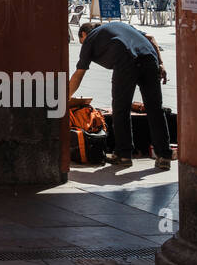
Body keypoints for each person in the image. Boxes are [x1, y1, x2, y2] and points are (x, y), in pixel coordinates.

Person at [68, 21, 172, 169]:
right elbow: (151, 38)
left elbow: (79, 74)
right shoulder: (121, 26)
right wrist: (161, 64)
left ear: (84, 34)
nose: (83, 46)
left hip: (125, 63)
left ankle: (124, 155)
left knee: (121, 109)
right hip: (150, 59)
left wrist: (66, 98)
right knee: (155, 109)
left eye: (81, 41)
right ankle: (164, 156)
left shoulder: (90, 39)